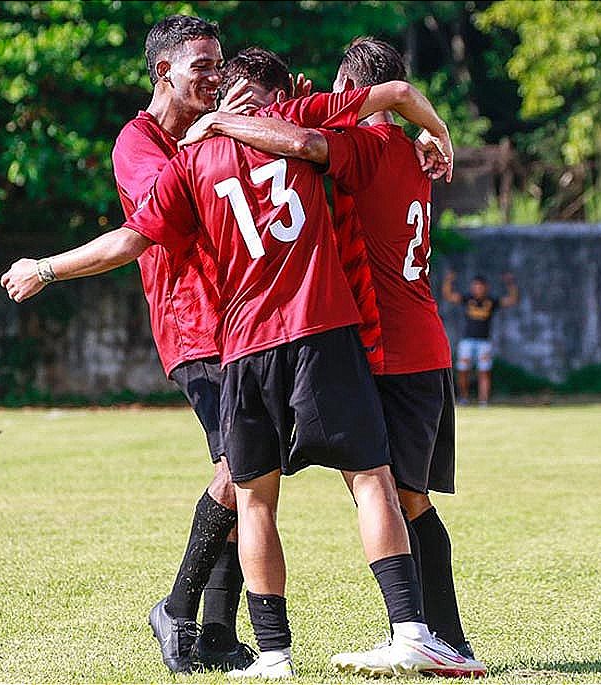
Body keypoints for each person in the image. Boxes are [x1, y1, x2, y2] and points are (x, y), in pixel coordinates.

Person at [0, 56, 484, 680]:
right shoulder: (290, 120)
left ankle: (275, 654)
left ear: (228, 93)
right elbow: (383, 98)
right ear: (281, 91)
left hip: (245, 344)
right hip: (323, 333)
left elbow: (128, 240)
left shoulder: (194, 156)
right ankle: (413, 630)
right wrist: (438, 135)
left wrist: (46, 268)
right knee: (372, 480)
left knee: (254, 498)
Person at [193, 40, 484, 675]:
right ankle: (436, 637)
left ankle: (436, 638)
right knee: (403, 494)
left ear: (353, 87)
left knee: (397, 495)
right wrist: (436, 132)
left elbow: (305, 144)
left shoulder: (366, 148)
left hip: (389, 350)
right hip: (423, 343)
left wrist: (219, 121)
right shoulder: (411, 153)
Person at [110, 15, 255, 673]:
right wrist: (211, 135)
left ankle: (219, 635)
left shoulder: (211, 134)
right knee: (240, 468)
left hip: (248, 323)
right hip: (194, 330)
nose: (217, 76)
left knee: (255, 473)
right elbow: (165, 216)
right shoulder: (137, 143)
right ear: (163, 69)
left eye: (220, 64)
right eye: (203, 64)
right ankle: (177, 607)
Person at [442, 271, 519, 406]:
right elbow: (449, 296)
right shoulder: (467, 299)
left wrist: (510, 284)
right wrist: (448, 281)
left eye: (480, 286)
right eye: (475, 286)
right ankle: (463, 398)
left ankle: (483, 401)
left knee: (484, 372)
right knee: (462, 370)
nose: (477, 289)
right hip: (467, 341)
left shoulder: (491, 301)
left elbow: (512, 300)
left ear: (486, 287)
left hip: (484, 342)